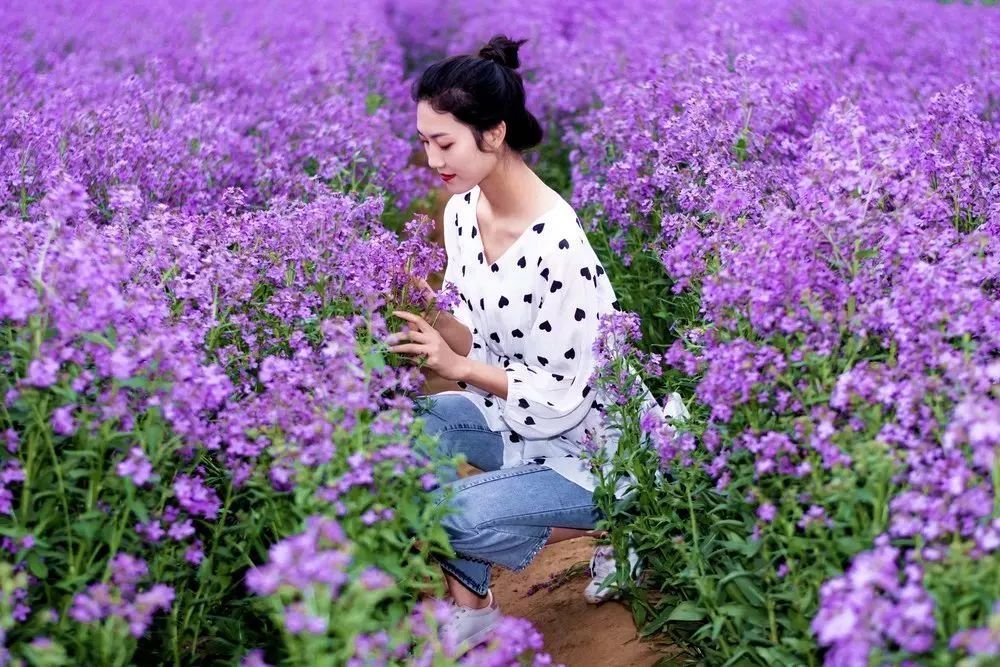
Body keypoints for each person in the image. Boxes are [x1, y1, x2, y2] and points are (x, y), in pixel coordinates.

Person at [386, 34, 680, 653]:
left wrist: (458, 365)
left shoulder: (558, 245)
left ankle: (624, 525)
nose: (432, 157)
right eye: (424, 142)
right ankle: (474, 606)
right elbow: (471, 326)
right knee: (398, 433)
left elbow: (562, 398)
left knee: (451, 512)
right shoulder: (462, 210)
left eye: (445, 142)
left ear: (493, 134)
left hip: (592, 451)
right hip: (516, 424)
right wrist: (433, 316)